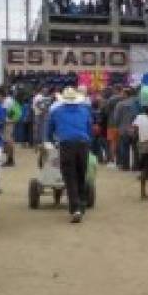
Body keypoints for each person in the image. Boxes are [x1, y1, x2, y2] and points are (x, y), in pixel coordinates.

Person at [47, 87, 94, 224]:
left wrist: (51, 140)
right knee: (81, 175)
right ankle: (81, 204)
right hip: (83, 145)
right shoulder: (85, 111)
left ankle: (75, 209)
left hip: (66, 145)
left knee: (70, 177)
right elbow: (89, 129)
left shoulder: (56, 112)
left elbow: (49, 130)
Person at [113, 88, 138, 170]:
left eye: (122, 94)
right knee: (135, 148)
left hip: (123, 129)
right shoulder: (136, 103)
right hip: (135, 129)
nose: (121, 95)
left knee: (124, 147)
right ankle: (136, 166)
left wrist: (117, 126)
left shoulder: (120, 104)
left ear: (126, 94)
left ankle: (125, 166)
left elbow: (116, 118)